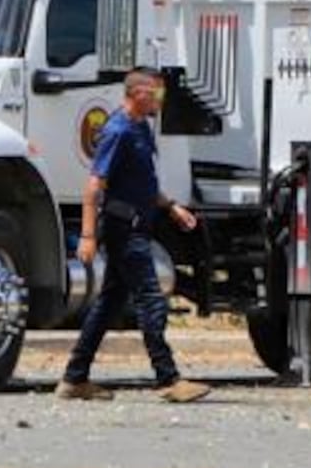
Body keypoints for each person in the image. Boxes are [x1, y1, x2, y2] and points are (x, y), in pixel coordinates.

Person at [58, 68, 208, 403]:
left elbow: (142, 183)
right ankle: (168, 379)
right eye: (156, 92)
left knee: (110, 302)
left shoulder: (141, 127)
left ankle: (74, 378)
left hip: (140, 224)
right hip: (123, 230)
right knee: (151, 299)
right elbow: (94, 187)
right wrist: (86, 236)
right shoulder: (118, 130)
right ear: (137, 92)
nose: (160, 99)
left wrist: (171, 207)